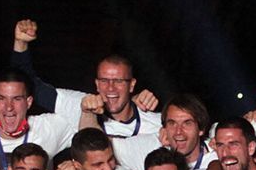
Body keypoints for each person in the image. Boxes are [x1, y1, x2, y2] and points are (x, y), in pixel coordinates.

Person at [10, 18, 163, 139]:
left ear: (132, 85)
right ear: (96, 84)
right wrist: (20, 43)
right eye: (104, 80)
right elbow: (28, 86)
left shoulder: (156, 123)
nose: (110, 88)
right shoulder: (81, 106)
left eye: (118, 81)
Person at [115, 94, 215, 170]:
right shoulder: (150, 146)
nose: (178, 132)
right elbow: (105, 145)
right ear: (164, 128)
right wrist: (99, 110)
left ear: (201, 129)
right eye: (172, 123)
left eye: (187, 123)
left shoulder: (217, 155)